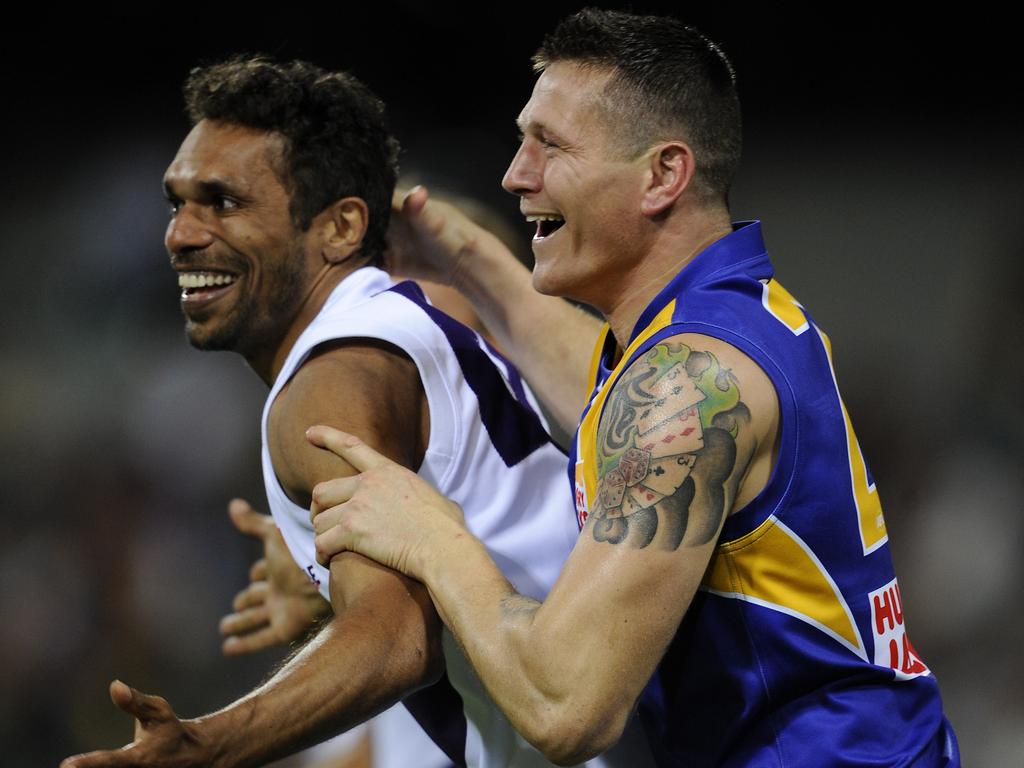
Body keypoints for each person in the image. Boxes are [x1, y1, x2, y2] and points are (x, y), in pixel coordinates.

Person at [306, 9, 961, 767]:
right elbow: (607, 384)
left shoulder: (687, 382)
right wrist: (465, 257)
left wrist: (431, 535)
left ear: (662, 175)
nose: (517, 173)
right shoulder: (721, 322)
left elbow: (567, 706)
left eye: (549, 145)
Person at [61, 56, 652, 768]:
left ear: (341, 228)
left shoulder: (327, 380)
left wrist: (208, 746)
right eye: (177, 202)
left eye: (223, 202)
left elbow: (397, 640)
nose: (180, 234)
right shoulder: (415, 317)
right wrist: (328, 588)